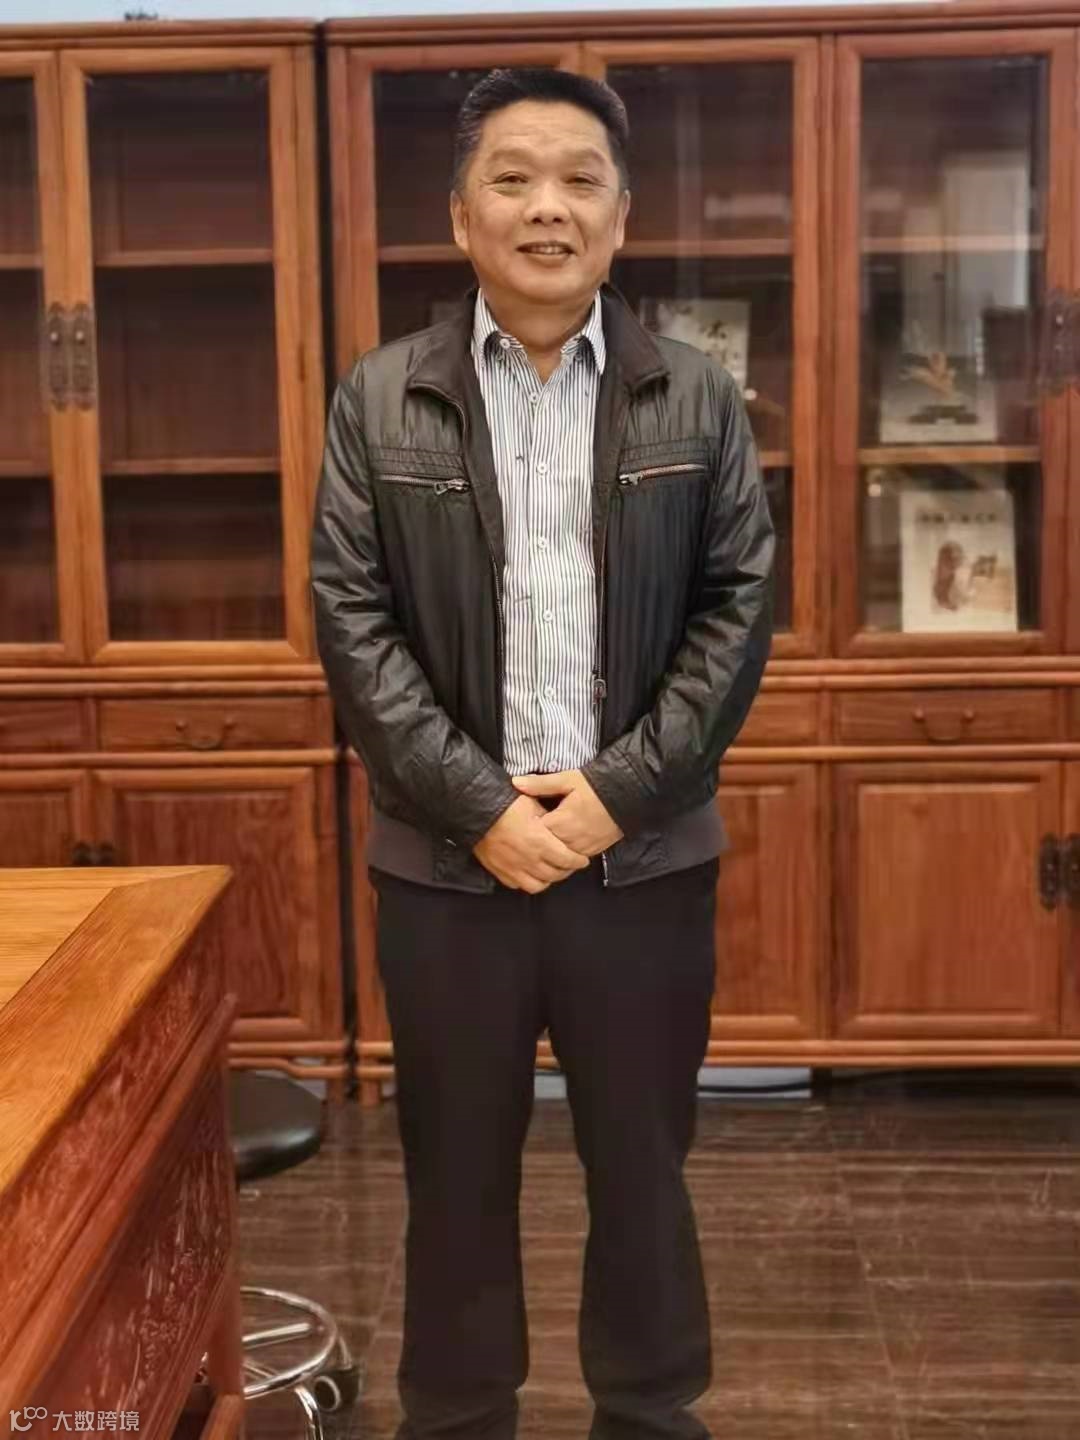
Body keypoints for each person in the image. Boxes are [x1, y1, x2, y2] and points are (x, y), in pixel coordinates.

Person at [311, 67, 775, 1440]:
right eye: (511, 179)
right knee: (455, 1176)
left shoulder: (697, 395)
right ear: (462, 217)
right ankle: (457, 1418)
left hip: (640, 864)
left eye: (580, 180)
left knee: (644, 1170)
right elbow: (351, 622)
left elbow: (739, 610)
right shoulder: (379, 397)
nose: (547, 208)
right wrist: (482, 810)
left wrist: (613, 799)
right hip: (450, 870)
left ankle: (651, 1412)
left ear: (622, 218)